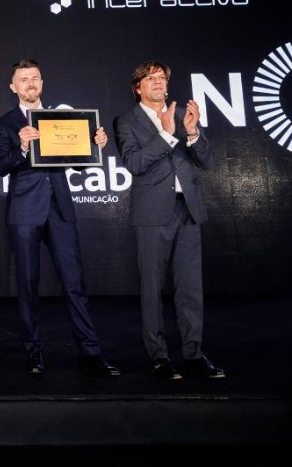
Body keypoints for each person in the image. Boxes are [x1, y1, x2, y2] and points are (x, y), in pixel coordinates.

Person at [0, 58, 120, 377]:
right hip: (25, 211)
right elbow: (3, 166)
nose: (30, 83)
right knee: (28, 285)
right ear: (13, 87)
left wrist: (94, 145)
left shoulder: (61, 119)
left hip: (60, 207)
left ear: (42, 83)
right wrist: (23, 147)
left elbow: (78, 161)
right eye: (23, 79)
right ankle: (33, 353)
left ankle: (91, 352)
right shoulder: (4, 123)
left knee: (74, 283)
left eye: (35, 78)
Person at [113, 60, 225, 380]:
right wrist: (165, 134)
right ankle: (159, 356)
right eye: (150, 78)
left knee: (190, 288)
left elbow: (207, 160)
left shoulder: (182, 116)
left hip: (187, 210)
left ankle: (193, 354)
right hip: (151, 214)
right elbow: (134, 163)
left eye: (162, 77)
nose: (158, 82)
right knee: (151, 288)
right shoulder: (126, 121)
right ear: (138, 88)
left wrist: (192, 132)